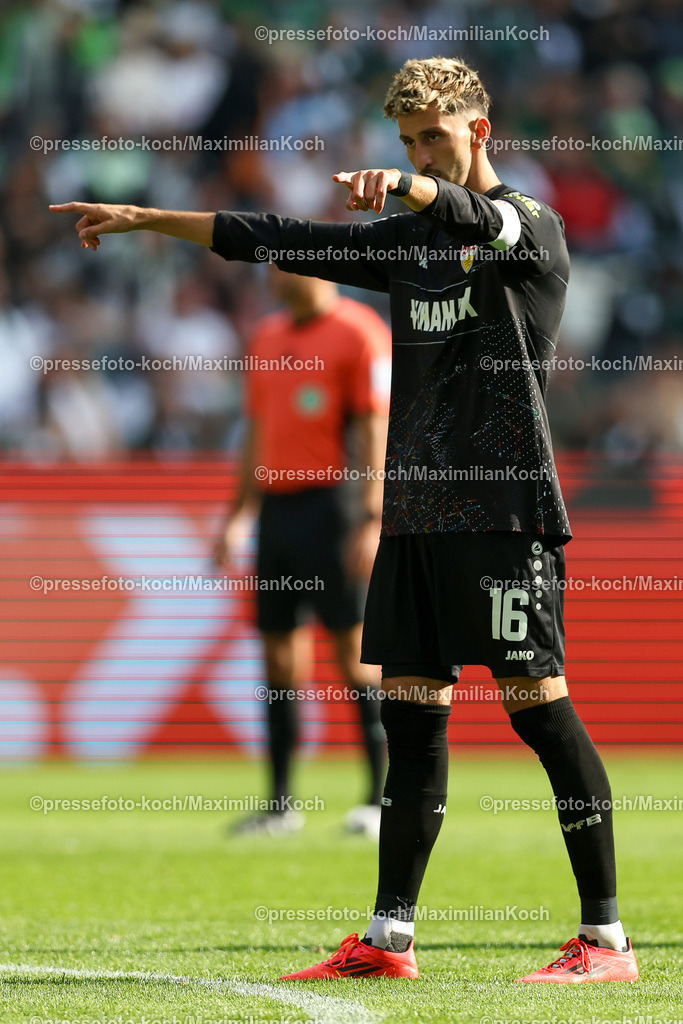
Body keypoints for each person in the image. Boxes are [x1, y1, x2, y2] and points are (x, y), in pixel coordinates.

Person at [50, 54, 638, 985]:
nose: (420, 156)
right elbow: (281, 234)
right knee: (411, 724)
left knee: (539, 712)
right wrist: (151, 219)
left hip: (502, 511)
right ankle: (389, 938)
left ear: (478, 131)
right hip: (413, 519)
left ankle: (605, 941)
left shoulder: (529, 228)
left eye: (433, 140)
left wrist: (408, 184)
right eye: (406, 143)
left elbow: (475, 214)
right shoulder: (406, 247)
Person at [213, 265, 390, 838]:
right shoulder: (266, 337)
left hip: (333, 508)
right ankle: (281, 805)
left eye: (279, 264)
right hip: (278, 512)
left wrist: (370, 515)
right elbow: (257, 431)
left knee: (355, 653)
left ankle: (379, 798)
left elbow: (372, 429)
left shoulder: (359, 333)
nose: (269, 275)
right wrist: (239, 514)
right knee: (279, 661)